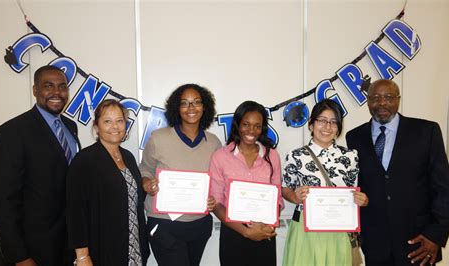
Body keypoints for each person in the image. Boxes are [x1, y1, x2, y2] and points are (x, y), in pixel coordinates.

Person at [346, 79, 449, 265]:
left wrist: (435, 236)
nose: (382, 103)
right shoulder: (354, 137)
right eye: (376, 97)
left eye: (388, 97)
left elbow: (442, 188)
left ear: (398, 100)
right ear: (368, 101)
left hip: (419, 241)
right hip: (375, 242)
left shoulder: (426, 131)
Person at [0, 65, 80, 265]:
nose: (57, 92)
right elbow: (2, 200)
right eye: (48, 86)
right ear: (35, 90)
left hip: (63, 247)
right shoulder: (13, 131)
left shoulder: (70, 127)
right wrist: (20, 256)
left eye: (62, 86)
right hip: (28, 251)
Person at [139, 84, 221, 266]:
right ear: (176, 108)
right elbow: (144, 169)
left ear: (205, 106)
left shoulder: (214, 143)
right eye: (184, 103)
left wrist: (212, 199)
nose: (191, 108)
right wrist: (146, 183)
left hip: (199, 224)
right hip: (164, 224)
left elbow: (217, 182)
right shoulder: (158, 138)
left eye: (196, 102)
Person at [281, 99, 368, 266]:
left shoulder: (350, 156)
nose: (327, 127)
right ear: (312, 124)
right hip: (306, 230)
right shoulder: (296, 155)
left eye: (333, 122)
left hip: (339, 229)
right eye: (322, 120)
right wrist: (295, 196)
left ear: (339, 128)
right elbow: (285, 188)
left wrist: (362, 199)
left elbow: (355, 190)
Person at [66, 99, 150, 265]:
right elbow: (76, 212)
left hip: (133, 247)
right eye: (107, 121)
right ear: (96, 127)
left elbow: (130, 197)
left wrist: (147, 186)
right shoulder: (85, 160)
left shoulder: (128, 157)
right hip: (102, 249)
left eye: (119, 121)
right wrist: (82, 256)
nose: (115, 127)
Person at [209, 100, 283, 266]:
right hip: (233, 233)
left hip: (264, 231)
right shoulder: (220, 156)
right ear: (237, 125)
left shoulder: (272, 156)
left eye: (257, 126)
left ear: (263, 127)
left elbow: (277, 198)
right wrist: (246, 231)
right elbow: (216, 202)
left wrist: (267, 224)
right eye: (246, 124)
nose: (251, 130)